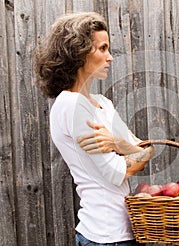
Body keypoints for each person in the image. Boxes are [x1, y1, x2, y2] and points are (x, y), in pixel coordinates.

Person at [33, 12, 155, 246]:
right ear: (78, 53)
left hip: (123, 232)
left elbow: (147, 150)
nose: (110, 58)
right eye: (102, 48)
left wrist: (119, 144)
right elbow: (116, 172)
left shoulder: (102, 103)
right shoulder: (71, 104)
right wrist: (129, 148)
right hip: (105, 237)